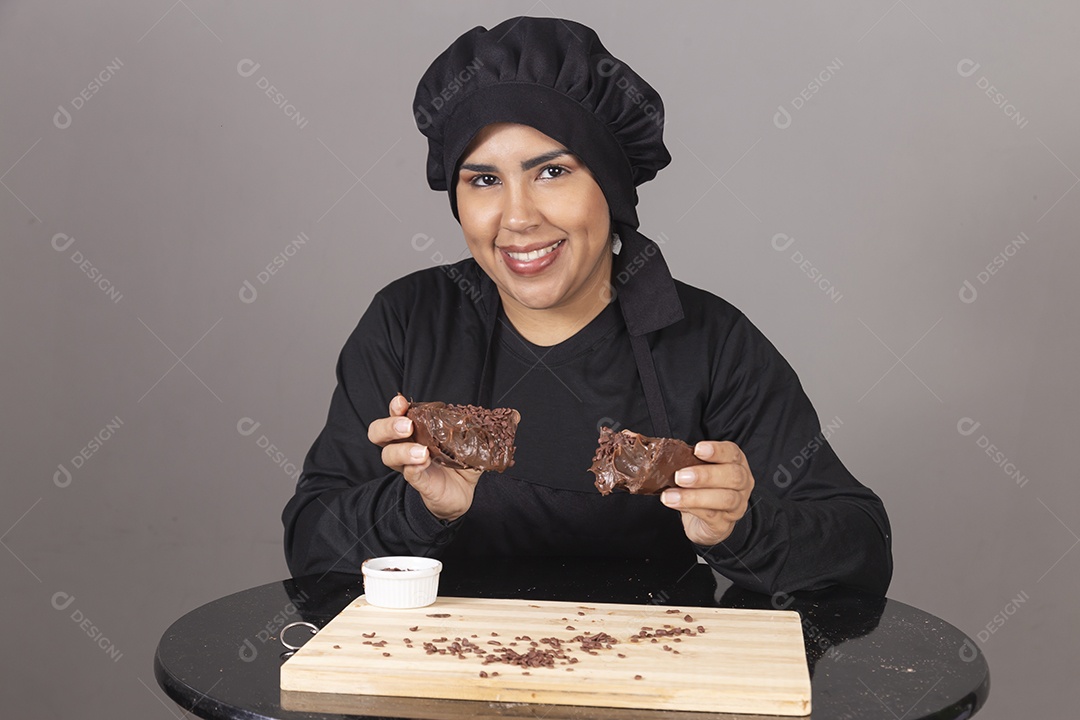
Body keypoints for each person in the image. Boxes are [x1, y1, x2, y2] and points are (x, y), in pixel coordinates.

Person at [281, 16, 893, 595]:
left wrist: (740, 525)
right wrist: (420, 506)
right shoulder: (408, 321)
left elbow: (862, 550)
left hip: (657, 681)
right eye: (484, 180)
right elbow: (310, 542)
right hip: (445, 680)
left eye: (551, 172)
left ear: (611, 188)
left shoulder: (709, 342)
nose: (518, 218)